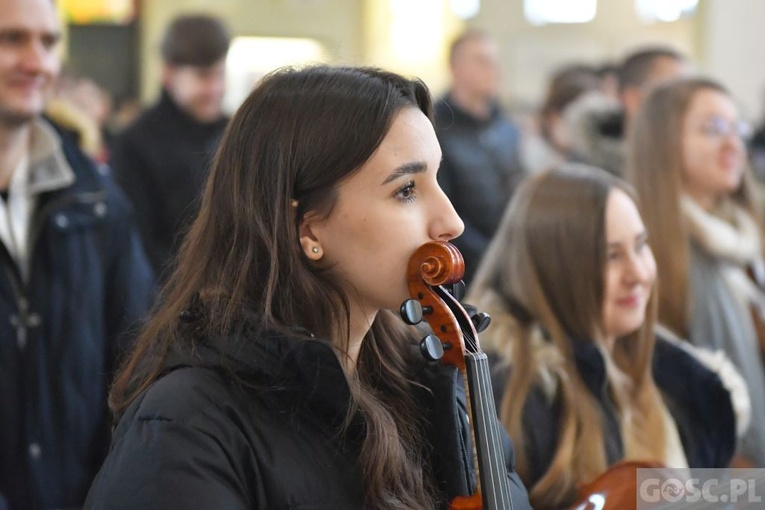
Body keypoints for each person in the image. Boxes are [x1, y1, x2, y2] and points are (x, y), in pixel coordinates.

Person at [83, 65, 533, 509]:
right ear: (309, 230)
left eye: (438, 178)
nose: (451, 222)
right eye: (406, 190)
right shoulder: (186, 427)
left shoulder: (432, 387)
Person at [466, 164, 745, 509]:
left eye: (641, 246)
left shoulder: (675, 372)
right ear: (558, 271)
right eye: (611, 256)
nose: (639, 274)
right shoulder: (515, 394)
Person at [0, 0, 155, 509]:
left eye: (48, 42)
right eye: (11, 40)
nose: (37, 63)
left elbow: (138, 364)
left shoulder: (97, 204)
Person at [627, 77, 765, 467]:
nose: (732, 143)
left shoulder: (745, 235)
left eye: (736, 128)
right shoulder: (646, 251)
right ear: (663, 143)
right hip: (717, 477)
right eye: (713, 129)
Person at [111, 13, 230, 281]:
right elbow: (136, 241)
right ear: (168, 73)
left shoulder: (235, 132)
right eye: (203, 76)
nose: (215, 89)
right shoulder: (135, 142)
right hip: (169, 300)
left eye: (220, 74)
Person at [434, 30, 525, 286]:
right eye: (482, 60)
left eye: (495, 61)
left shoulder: (506, 126)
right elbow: (443, 207)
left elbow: (517, 189)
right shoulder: (436, 127)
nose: (493, 69)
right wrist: (490, 258)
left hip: (510, 259)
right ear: (455, 68)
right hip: (464, 266)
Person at [563, 46, 691, 175]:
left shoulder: (688, 159)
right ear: (633, 98)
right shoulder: (586, 173)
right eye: (674, 94)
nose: (687, 104)